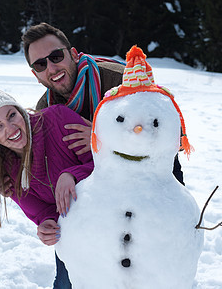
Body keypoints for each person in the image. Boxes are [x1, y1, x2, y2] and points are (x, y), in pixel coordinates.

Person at [21, 22, 185, 287]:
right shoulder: (45, 110)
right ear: (35, 73)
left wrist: (102, 141)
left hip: (146, 194)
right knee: (71, 278)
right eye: (41, 64)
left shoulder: (119, 81)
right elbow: (47, 176)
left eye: (56, 56)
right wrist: (42, 216)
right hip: (91, 205)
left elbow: (167, 135)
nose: (51, 68)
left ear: (73, 53)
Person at [0, 88, 94, 287]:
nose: (11, 128)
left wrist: (73, 175)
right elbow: (43, 210)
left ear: (19, 110)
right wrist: (47, 224)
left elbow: (108, 166)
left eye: (12, 115)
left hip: (111, 219)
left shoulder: (58, 119)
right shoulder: (7, 171)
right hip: (74, 234)